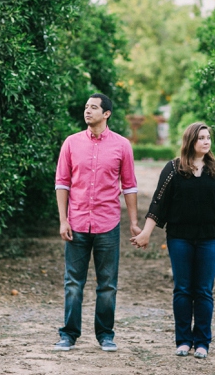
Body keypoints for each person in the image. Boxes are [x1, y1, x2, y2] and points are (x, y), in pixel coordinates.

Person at [130, 122, 215, 359]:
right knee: (182, 289)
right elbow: (158, 204)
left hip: (210, 239)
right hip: (180, 238)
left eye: (208, 137)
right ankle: (183, 341)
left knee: (203, 291)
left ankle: (202, 342)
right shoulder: (173, 168)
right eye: (201, 137)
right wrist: (146, 233)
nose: (206, 141)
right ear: (190, 141)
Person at [53, 93, 140, 352]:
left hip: (108, 223)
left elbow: (130, 186)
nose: (87, 111)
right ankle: (68, 334)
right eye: (86, 107)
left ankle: (105, 335)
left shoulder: (122, 145)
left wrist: (134, 222)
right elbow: (62, 183)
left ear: (107, 114)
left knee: (108, 285)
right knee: (72, 283)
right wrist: (63, 220)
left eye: (93, 107)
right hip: (77, 222)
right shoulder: (71, 143)